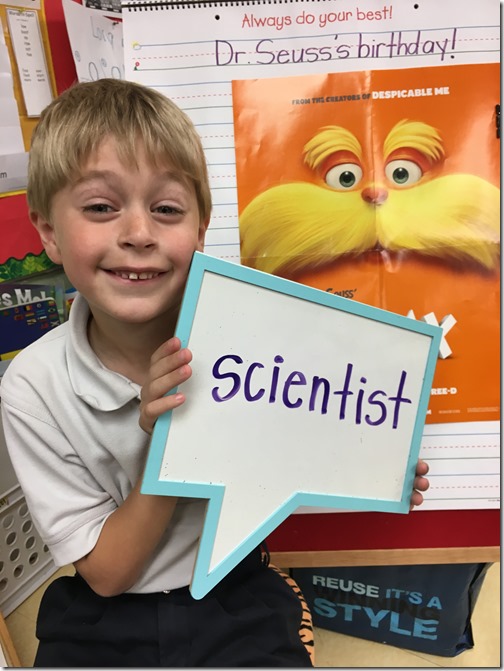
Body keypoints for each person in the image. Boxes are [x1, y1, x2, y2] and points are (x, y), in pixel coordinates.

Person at [0, 79, 430, 668]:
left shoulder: (251, 339)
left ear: (200, 229)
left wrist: (376, 463)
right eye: (100, 207)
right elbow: (106, 575)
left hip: (233, 590)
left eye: (166, 209)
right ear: (49, 231)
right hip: (107, 615)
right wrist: (171, 441)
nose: (138, 234)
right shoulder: (33, 386)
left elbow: (303, 438)